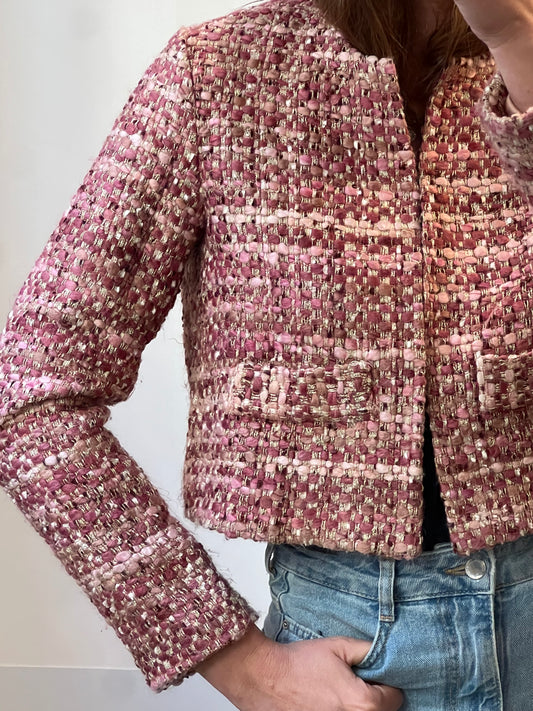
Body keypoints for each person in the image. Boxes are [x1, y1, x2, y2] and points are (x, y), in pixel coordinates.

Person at [1, 0, 533, 708]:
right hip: (357, 647)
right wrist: (241, 664)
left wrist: (515, 41)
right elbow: (33, 391)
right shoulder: (217, 73)